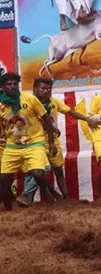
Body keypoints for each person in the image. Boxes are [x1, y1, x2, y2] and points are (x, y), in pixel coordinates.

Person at [16, 78, 99, 206]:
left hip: (53, 141)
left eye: (49, 88)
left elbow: (70, 112)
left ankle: (64, 198)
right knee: (39, 171)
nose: (47, 91)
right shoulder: (29, 103)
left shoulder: (54, 102)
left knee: (58, 171)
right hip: (34, 142)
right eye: (43, 88)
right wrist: (52, 128)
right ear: (35, 89)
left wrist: (86, 119)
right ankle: (39, 196)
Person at [0, 73, 56, 210]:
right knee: (4, 181)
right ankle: (9, 210)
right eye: (9, 84)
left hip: (34, 142)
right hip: (12, 146)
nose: (12, 87)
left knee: (38, 173)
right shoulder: (1, 105)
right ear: (2, 87)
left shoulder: (30, 99)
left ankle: (46, 192)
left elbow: (47, 120)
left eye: (15, 84)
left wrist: (52, 142)